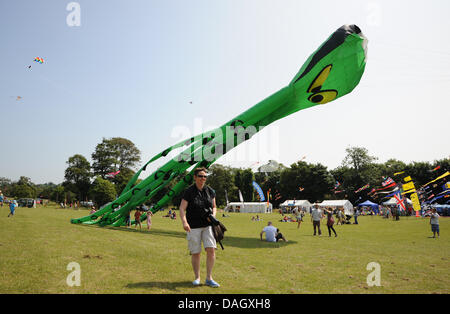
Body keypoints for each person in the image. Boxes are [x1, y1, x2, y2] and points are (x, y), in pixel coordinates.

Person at [179, 167, 220, 288]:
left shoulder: (210, 191)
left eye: (205, 176)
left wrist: (213, 216)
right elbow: (182, 208)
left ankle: (209, 278)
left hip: (208, 226)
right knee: (196, 252)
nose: (203, 178)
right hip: (193, 226)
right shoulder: (189, 191)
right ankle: (197, 277)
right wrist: (184, 222)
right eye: (201, 176)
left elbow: (214, 206)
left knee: (211, 249)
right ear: (195, 177)